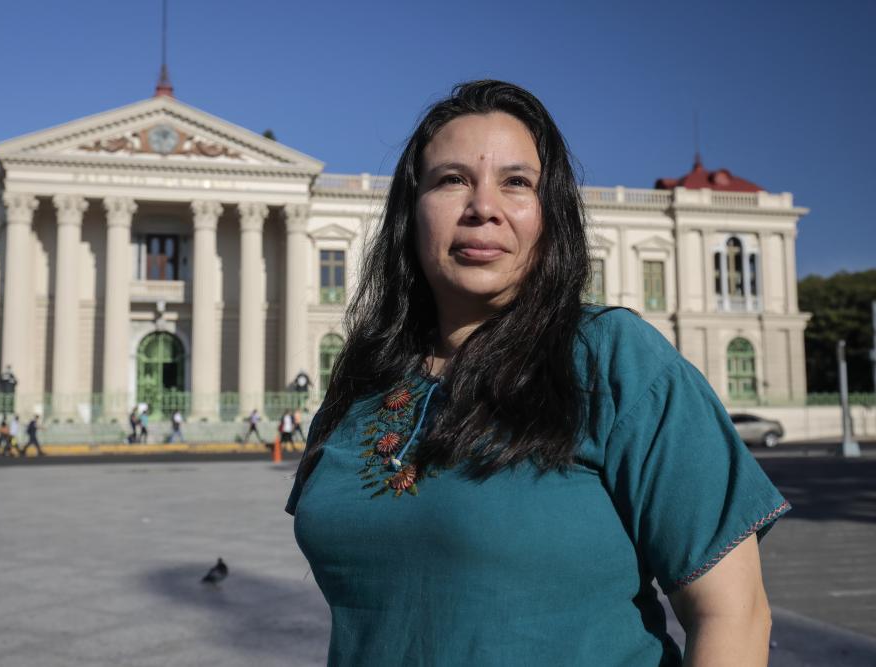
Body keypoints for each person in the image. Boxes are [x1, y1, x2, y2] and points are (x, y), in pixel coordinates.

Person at [285, 81, 788, 666]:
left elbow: (734, 614)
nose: (483, 208)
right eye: (451, 180)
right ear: (409, 210)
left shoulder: (612, 359)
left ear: (549, 215)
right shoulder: (363, 379)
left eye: (517, 183)